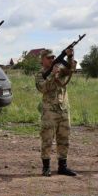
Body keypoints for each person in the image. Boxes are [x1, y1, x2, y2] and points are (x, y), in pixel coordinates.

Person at [35, 48, 78, 177]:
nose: (52, 60)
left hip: (63, 109)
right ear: (42, 60)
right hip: (49, 111)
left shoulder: (60, 70)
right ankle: (46, 167)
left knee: (64, 138)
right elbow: (43, 88)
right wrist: (52, 74)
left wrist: (70, 57)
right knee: (47, 139)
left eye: (53, 57)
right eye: (49, 58)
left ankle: (62, 166)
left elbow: (70, 69)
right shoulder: (39, 74)